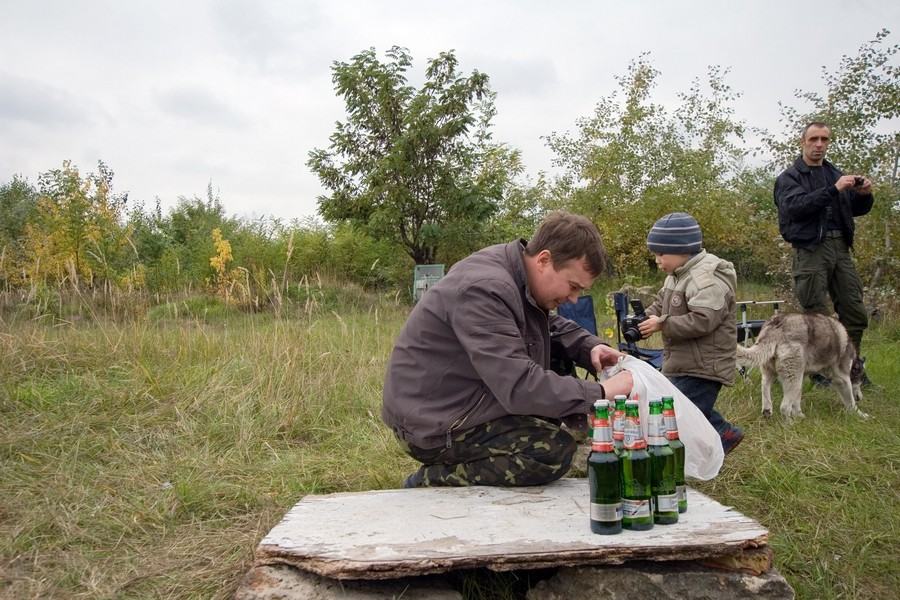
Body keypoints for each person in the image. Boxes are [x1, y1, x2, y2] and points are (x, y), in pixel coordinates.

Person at [382, 211, 634, 488]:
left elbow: (547, 325)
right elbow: (519, 386)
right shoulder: (485, 289)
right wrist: (601, 392)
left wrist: (591, 347)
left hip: (460, 399)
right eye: (573, 286)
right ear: (544, 260)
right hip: (433, 424)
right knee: (551, 452)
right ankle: (430, 481)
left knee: (557, 356)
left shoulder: (517, 274)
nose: (574, 299)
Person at [774, 121, 874, 383]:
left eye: (824, 139)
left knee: (855, 311)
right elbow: (795, 208)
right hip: (810, 249)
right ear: (803, 142)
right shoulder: (790, 178)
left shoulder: (834, 174)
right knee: (817, 316)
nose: (819, 144)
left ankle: (851, 368)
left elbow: (854, 208)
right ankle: (820, 374)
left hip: (840, 247)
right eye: (814, 139)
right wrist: (833, 189)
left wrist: (864, 195)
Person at [637, 212, 744, 455]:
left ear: (682, 250)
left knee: (681, 412)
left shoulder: (706, 279)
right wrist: (644, 317)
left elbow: (704, 320)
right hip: (684, 362)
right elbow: (661, 304)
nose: (657, 260)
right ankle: (722, 435)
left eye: (661, 254)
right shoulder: (676, 276)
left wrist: (661, 324)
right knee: (687, 407)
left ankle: (717, 441)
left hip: (705, 365)